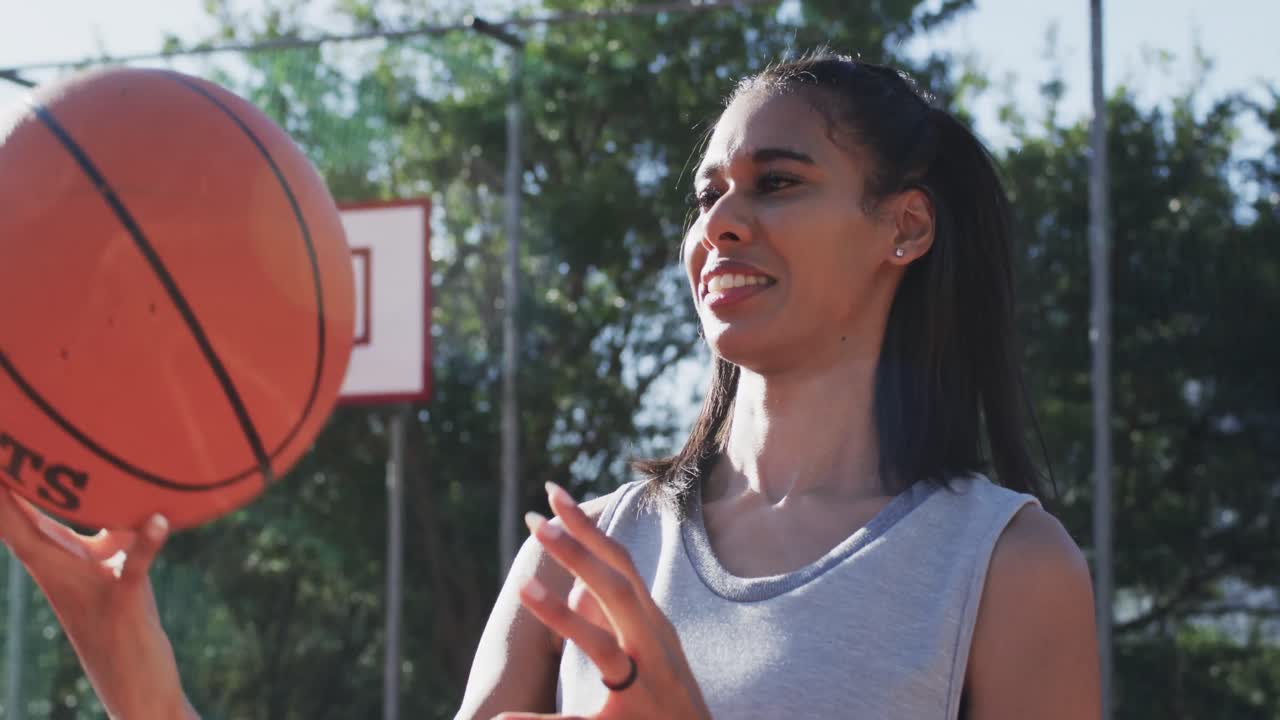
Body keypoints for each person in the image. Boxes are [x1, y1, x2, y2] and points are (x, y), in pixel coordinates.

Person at [0, 50, 1100, 720]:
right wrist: (131, 670)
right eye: (706, 192)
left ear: (902, 228)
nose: (720, 221)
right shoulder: (581, 553)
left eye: (778, 183)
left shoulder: (1002, 567)